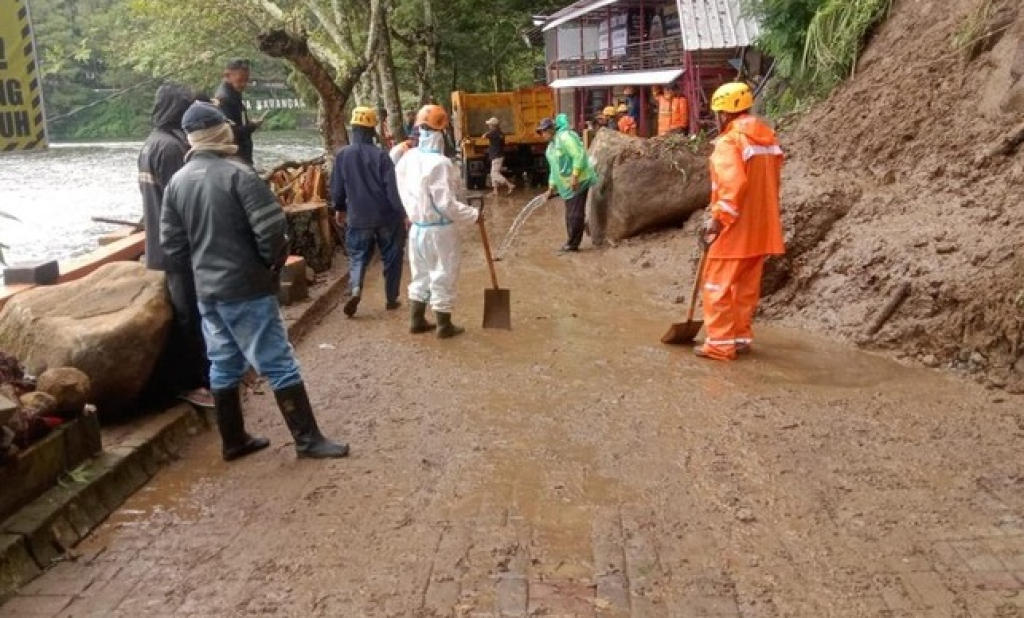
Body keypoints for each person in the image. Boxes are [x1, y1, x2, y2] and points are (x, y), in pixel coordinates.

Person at [161, 102, 348, 460]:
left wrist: (202, 269)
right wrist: (269, 267)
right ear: (222, 132)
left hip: (207, 291)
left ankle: (233, 440)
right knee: (278, 361)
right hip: (246, 288)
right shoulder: (239, 175)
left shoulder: (177, 182)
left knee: (223, 361)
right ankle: (308, 439)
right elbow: (273, 231)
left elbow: (172, 245)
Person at [138, 83, 214, 409]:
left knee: (190, 314)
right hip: (178, 250)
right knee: (189, 317)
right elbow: (185, 201)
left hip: (161, 245)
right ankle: (192, 382)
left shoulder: (150, 145)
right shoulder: (169, 149)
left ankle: (202, 375)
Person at [696, 82, 785, 361]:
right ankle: (740, 338)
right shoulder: (768, 140)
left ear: (723, 113)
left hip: (736, 229)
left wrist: (718, 220)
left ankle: (721, 344)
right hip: (762, 229)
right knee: (744, 288)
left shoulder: (729, 142)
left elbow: (732, 185)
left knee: (717, 286)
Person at [394, 104, 482, 339]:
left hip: (417, 229)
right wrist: (473, 215)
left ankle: (417, 320)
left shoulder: (408, 158)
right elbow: (446, 204)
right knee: (443, 273)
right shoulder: (440, 164)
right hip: (439, 231)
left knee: (420, 274)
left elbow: (401, 189)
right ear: (441, 132)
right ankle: (444, 326)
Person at [330, 106, 408, 318]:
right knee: (392, 256)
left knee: (357, 257)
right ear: (372, 131)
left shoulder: (342, 156)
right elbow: (392, 190)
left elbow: (337, 188)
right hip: (386, 216)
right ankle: (391, 299)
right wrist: (402, 214)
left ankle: (356, 288)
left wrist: (339, 209)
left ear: (353, 128)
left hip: (358, 216)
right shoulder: (382, 156)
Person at [538, 114, 596, 253]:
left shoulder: (565, 138)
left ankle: (573, 244)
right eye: (540, 132)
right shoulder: (550, 149)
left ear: (552, 129)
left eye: (544, 131)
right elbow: (554, 169)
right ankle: (573, 239)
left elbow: (579, 155)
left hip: (579, 180)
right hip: (566, 186)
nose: (542, 134)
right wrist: (551, 188)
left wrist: (575, 176)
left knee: (574, 214)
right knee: (570, 214)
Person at [214, 59, 262, 166]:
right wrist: (252, 126)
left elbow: (239, 122)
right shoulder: (224, 99)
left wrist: (249, 124)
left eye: (246, 80)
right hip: (235, 158)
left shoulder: (234, 94)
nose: (244, 84)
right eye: (240, 80)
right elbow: (229, 132)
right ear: (227, 75)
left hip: (242, 155)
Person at [484, 117, 515, 196]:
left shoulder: (493, 133)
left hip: (496, 156)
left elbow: (484, 136)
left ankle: (509, 185)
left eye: (490, 125)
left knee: (494, 173)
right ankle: (495, 191)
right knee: (492, 173)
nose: (489, 126)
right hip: (499, 155)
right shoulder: (501, 133)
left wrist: (486, 134)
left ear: (493, 125)